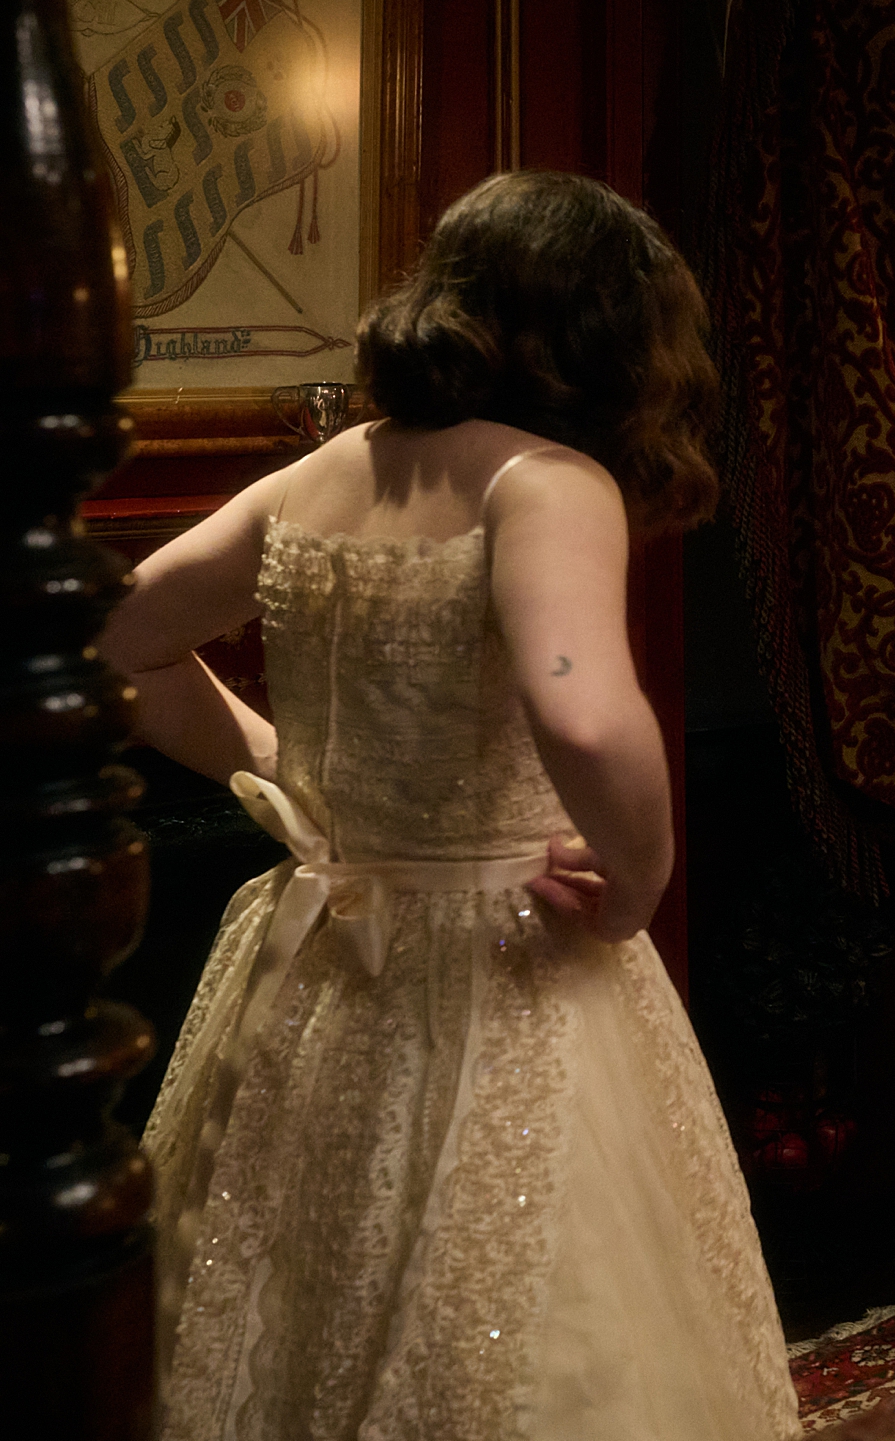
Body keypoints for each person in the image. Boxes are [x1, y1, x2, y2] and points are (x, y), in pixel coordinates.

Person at [102, 171, 800, 1440]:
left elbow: (120, 638)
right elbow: (581, 709)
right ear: (611, 335)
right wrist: (641, 878)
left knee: (291, 1305)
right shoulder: (545, 481)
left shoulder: (327, 470)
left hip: (310, 966)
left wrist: (288, 776)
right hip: (502, 963)